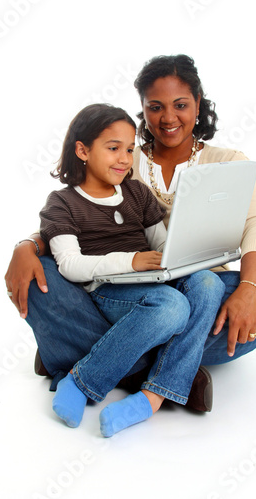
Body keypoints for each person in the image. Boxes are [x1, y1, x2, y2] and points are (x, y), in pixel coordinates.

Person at [5, 54, 256, 414]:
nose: (168, 117)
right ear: (143, 110)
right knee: (43, 273)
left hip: (191, 286)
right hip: (117, 283)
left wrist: (250, 290)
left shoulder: (228, 161)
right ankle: (171, 376)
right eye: (155, 107)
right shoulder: (122, 156)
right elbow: (75, 218)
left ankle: (78, 352)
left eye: (181, 105)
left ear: (198, 104)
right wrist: (27, 245)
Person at [37, 103, 225, 436]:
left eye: (128, 148)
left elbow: (163, 245)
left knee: (210, 283)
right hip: (107, 289)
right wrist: (132, 261)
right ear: (82, 150)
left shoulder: (136, 192)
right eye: (113, 149)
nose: (125, 158)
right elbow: (69, 265)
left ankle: (151, 397)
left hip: (153, 282)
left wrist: (188, 249)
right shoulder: (63, 203)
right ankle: (82, 382)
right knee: (172, 306)